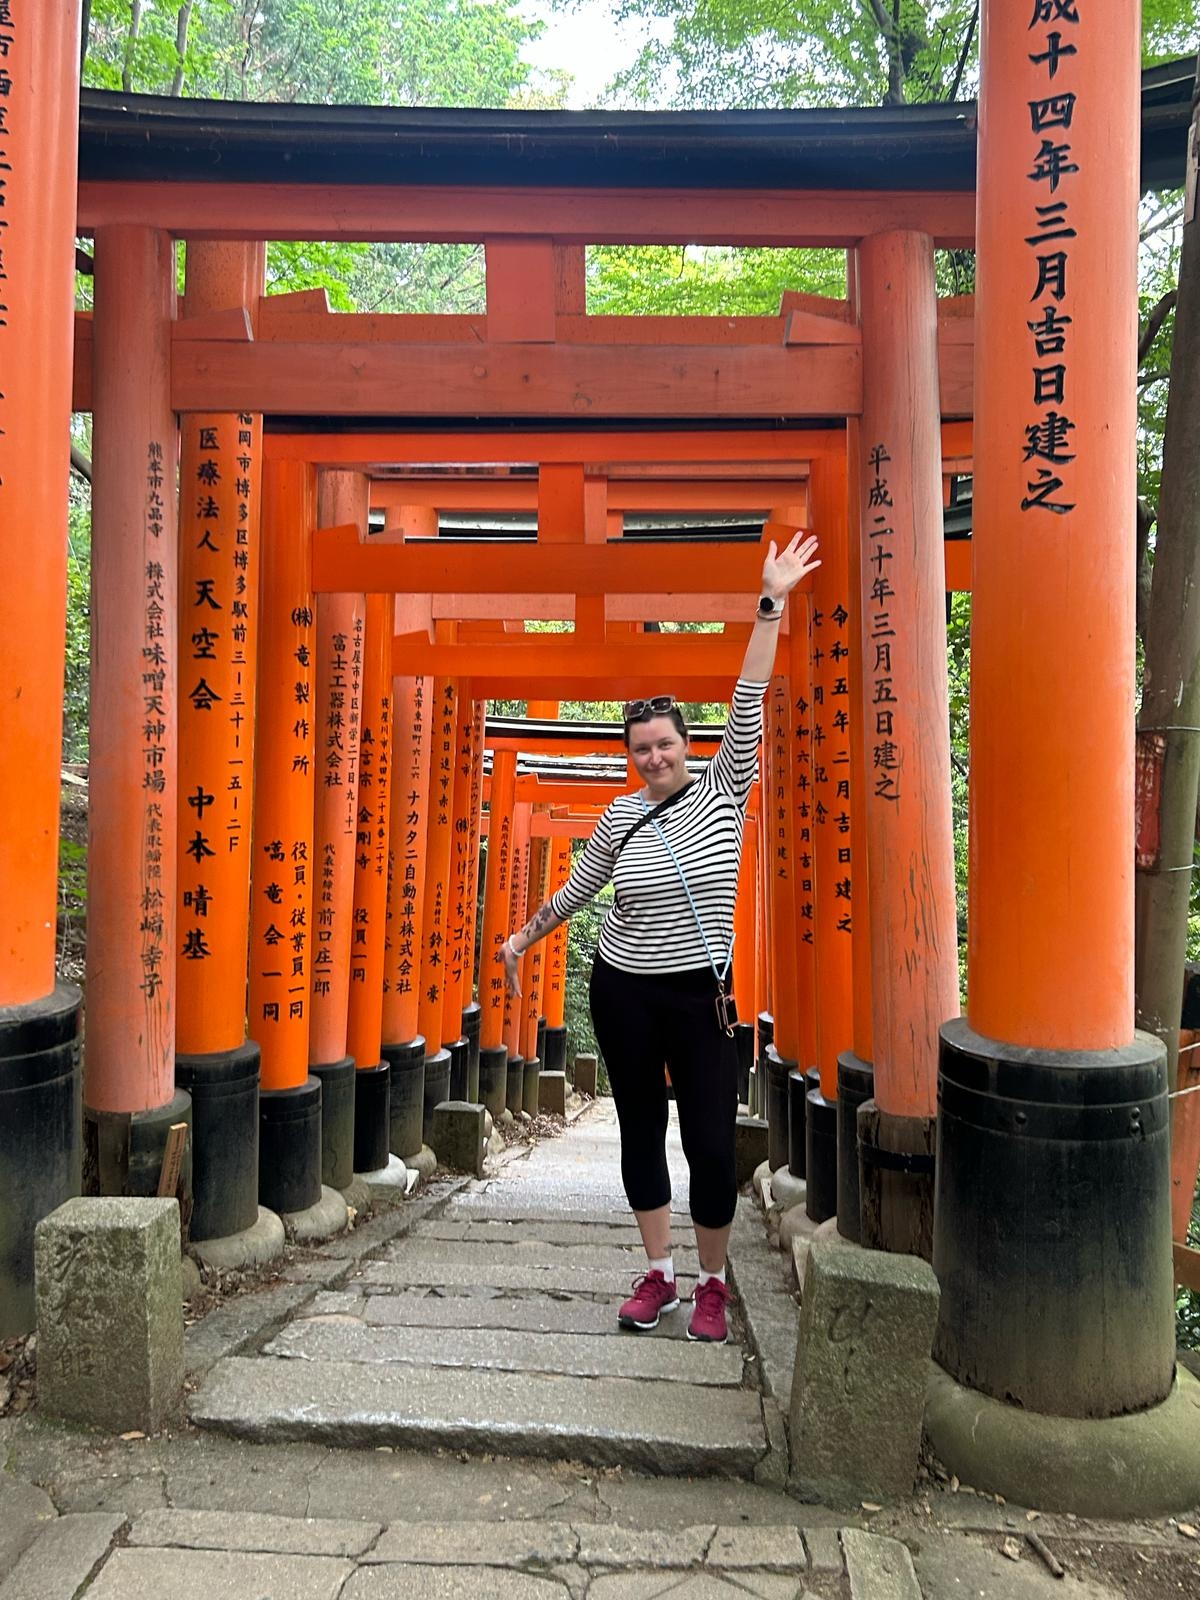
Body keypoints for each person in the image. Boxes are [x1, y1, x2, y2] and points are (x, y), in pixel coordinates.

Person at [499, 531, 821, 1345]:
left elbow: (748, 695)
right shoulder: (617, 815)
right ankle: (659, 1275)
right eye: (641, 748)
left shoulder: (724, 789)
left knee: (710, 1142)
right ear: (629, 755)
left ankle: (714, 1282)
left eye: (667, 744)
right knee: (640, 1128)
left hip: (698, 994)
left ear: (688, 745)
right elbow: (580, 890)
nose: (655, 757)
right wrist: (521, 940)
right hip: (623, 987)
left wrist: (771, 599)